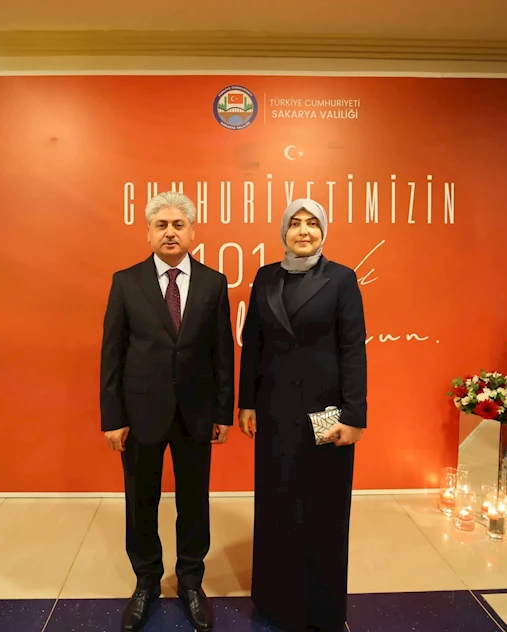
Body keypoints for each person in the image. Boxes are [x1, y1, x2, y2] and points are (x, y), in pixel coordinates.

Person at [100, 191, 234, 632]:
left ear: (192, 232)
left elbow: (222, 353)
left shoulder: (214, 283)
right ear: (149, 233)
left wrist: (222, 412)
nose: (170, 232)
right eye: (162, 225)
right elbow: (112, 355)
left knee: (194, 501)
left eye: (178, 225)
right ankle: (146, 581)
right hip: (140, 414)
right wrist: (113, 417)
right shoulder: (126, 282)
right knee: (142, 500)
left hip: (196, 413)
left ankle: (191, 581)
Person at [237, 198, 368, 632]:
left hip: (325, 416)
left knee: (323, 511)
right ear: (284, 231)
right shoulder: (265, 276)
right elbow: (253, 344)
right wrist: (247, 402)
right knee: (276, 504)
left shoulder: (341, 278)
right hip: (275, 412)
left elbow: (353, 349)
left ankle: (321, 607)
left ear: (323, 231)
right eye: (295, 224)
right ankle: (274, 601)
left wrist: (354, 415)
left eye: (312, 224)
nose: (304, 231)